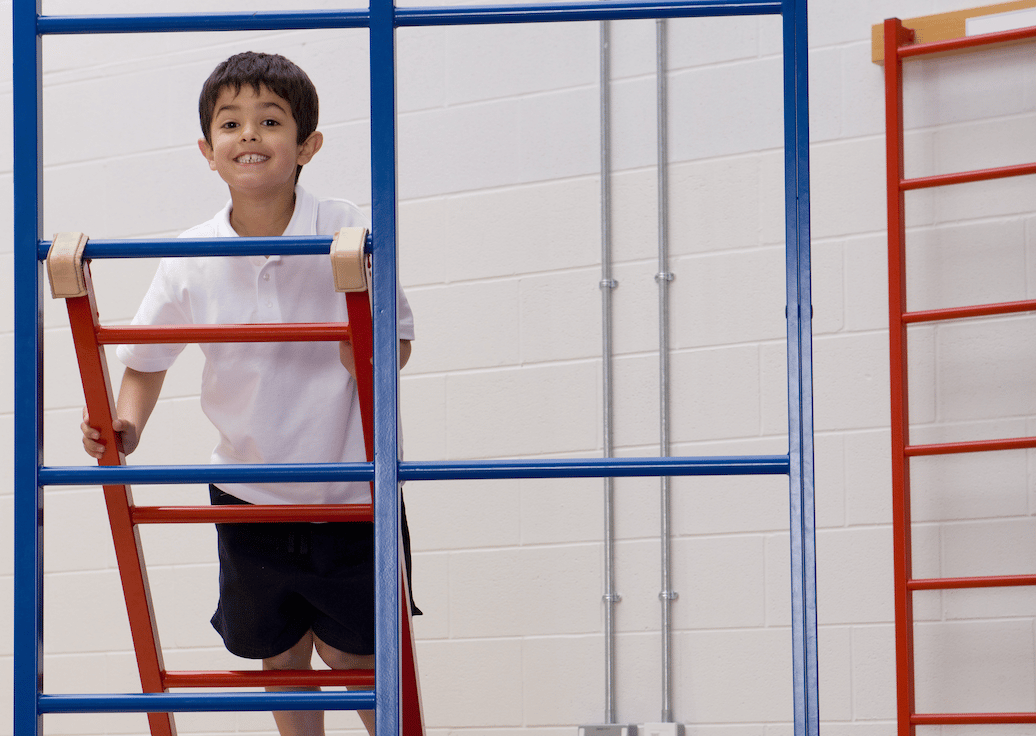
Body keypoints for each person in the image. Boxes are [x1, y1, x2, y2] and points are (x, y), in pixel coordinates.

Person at [81, 51, 416, 736]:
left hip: (352, 486)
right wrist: (127, 426)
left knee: (357, 652)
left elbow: (400, 343)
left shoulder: (344, 228)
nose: (250, 136)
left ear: (307, 146)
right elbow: (146, 362)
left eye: (270, 121)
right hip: (250, 492)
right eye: (231, 124)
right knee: (279, 653)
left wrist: (362, 349)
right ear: (208, 151)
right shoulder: (192, 253)